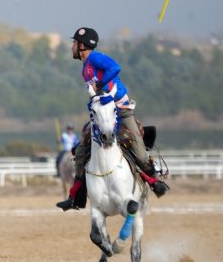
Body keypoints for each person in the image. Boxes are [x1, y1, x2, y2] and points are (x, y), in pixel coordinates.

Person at [56, 27, 169, 211]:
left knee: (139, 152)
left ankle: (154, 182)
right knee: (81, 151)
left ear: (82, 46)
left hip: (122, 112)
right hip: (102, 115)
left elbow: (115, 67)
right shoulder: (85, 69)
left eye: (75, 43)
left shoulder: (95, 58)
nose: (72, 46)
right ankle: (76, 197)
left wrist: (101, 85)